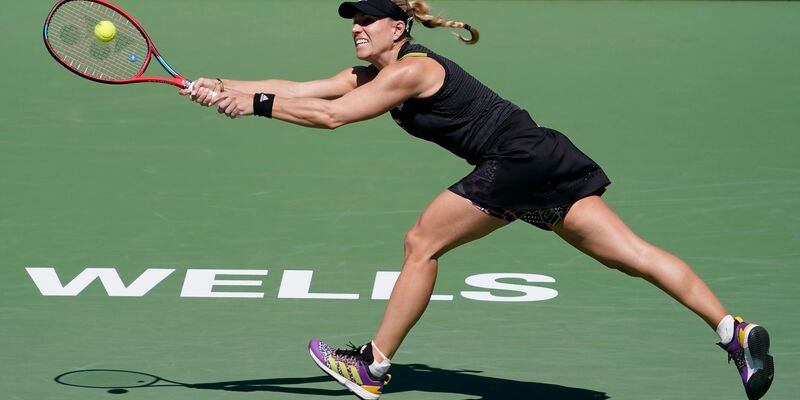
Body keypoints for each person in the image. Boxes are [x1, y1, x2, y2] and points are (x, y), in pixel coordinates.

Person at [181, 1, 775, 399]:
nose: (357, 27)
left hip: (513, 163)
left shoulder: (412, 71)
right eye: (352, 19)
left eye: (368, 18)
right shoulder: (370, 73)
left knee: (421, 243)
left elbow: (331, 117)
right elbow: (301, 89)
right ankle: (734, 332)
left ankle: (373, 367)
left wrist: (255, 107)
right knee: (630, 254)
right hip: (542, 156)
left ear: (398, 27)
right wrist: (221, 86)